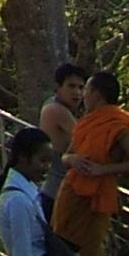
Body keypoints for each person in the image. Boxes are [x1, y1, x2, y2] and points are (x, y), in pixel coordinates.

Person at [53, 70, 129, 256]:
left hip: (94, 197)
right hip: (71, 192)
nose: (83, 95)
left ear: (97, 94)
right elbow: (66, 156)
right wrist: (73, 159)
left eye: (86, 89)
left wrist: (104, 170)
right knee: (62, 248)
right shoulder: (87, 121)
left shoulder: (116, 123)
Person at [1, 126, 61, 256]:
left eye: (49, 161)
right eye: (42, 161)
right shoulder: (18, 201)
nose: (47, 167)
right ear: (23, 158)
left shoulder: (26, 192)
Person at [40, 62, 90, 213]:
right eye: (71, 86)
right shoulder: (56, 110)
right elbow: (88, 137)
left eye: (81, 88)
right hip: (56, 192)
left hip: (58, 190)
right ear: (58, 87)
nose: (77, 93)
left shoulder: (56, 106)